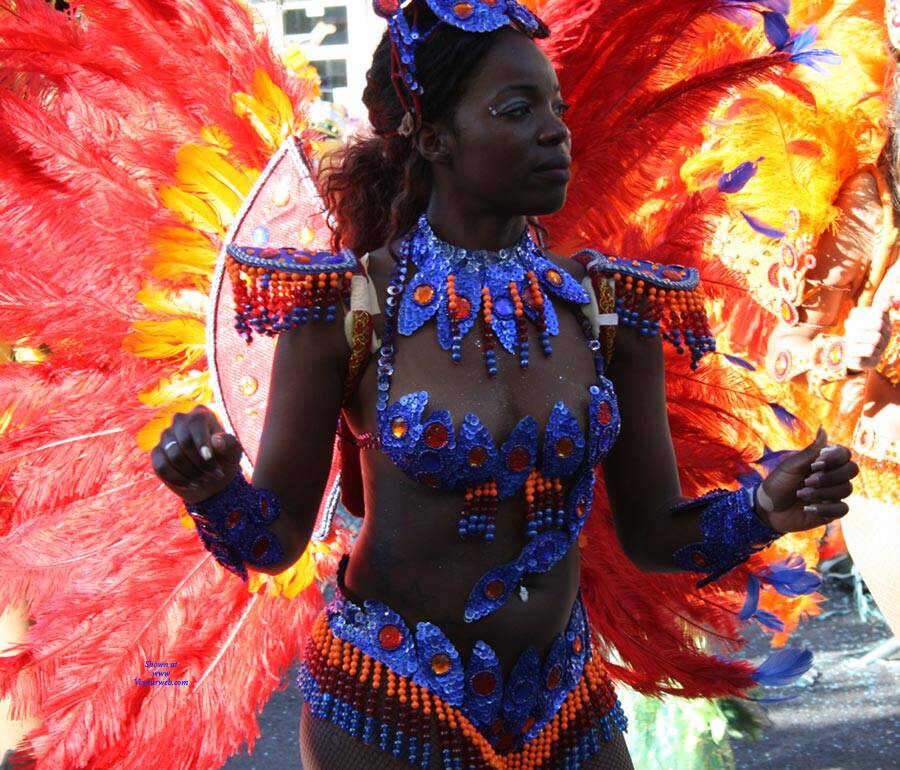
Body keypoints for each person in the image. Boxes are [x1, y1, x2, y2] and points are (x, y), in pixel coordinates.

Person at [151, 3, 860, 768]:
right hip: (387, 703)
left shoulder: (608, 311)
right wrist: (213, 488)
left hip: (565, 702)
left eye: (555, 109)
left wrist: (761, 510)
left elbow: (655, 537)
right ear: (434, 137)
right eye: (517, 110)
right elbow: (271, 544)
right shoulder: (346, 312)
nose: (556, 132)